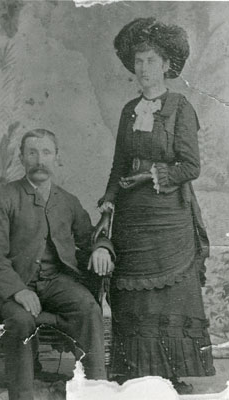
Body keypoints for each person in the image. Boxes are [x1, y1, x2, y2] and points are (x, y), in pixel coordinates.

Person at [94, 17, 215, 394]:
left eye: (151, 60)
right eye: (138, 61)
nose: (143, 68)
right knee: (133, 297)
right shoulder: (129, 109)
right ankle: (134, 373)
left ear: (166, 65)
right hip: (133, 216)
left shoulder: (180, 107)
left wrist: (151, 176)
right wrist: (109, 201)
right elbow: (118, 164)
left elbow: (191, 166)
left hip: (170, 219)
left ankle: (172, 375)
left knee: (169, 299)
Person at [0, 128, 115, 400]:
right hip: (15, 284)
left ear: (56, 158)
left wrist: (102, 248)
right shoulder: (2, 198)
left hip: (56, 282)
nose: (39, 160)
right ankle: (23, 395)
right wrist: (18, 290)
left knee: (88, 308)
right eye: (32, 153)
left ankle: (97, 390)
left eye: (46, 152)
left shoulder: (68, 201)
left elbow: (89, 237)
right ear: (22, 158)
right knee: (20, 320)